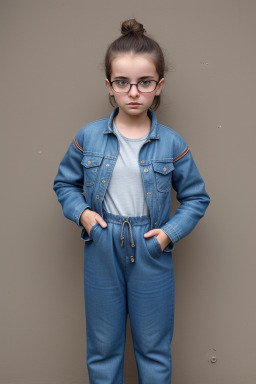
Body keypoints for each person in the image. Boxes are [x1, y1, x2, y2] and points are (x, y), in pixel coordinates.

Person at [53, 18, 210, 384]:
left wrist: (167, 235)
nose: (134, 92)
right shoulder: (88, 137)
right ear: (109, 85)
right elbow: (64, 184)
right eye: (123, 82)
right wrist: (85, 216)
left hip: (150, 246)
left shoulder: (171, 144)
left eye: (144, 82)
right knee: (103, 347)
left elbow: (196, 197)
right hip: (103, 243)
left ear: (159, 85)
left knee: (153, 348)